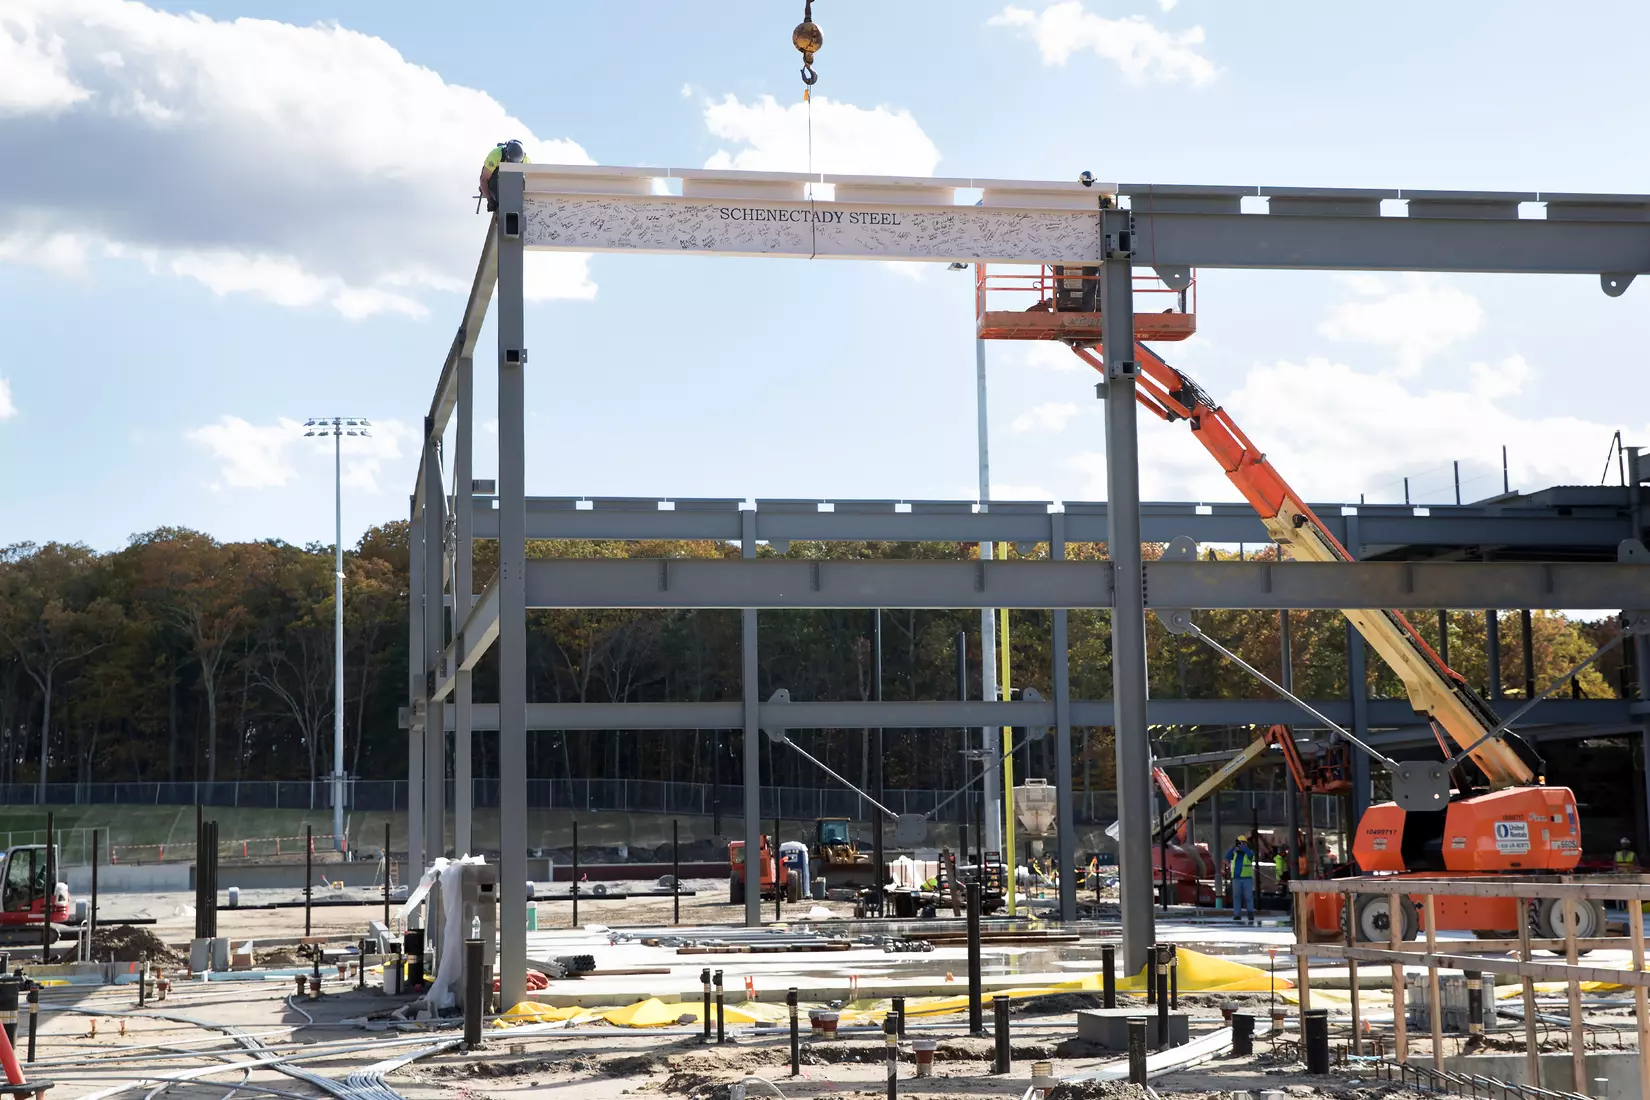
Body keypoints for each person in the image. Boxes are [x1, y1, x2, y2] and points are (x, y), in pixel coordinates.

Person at [479, 140, 529, 212]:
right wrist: (490, 200)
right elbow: (484, 179)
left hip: (513, 183)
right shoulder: (495, 155)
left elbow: (528, 184)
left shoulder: (526, 162)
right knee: (497, 194)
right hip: (496, 179)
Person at [1229, 835, 1256, 924]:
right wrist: (1233, 847)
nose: (1241, 845)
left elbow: (1251, 855)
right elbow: (1227, 857)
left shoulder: (1249, 853)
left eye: (1243, 843)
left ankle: (1250, 913)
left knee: (1248, 897)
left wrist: (1243, 848)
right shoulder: (1235, 853)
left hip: (1247, 878)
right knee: (1236, 897)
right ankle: (1237, 914)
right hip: (1236, 878)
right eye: (1239, 843)